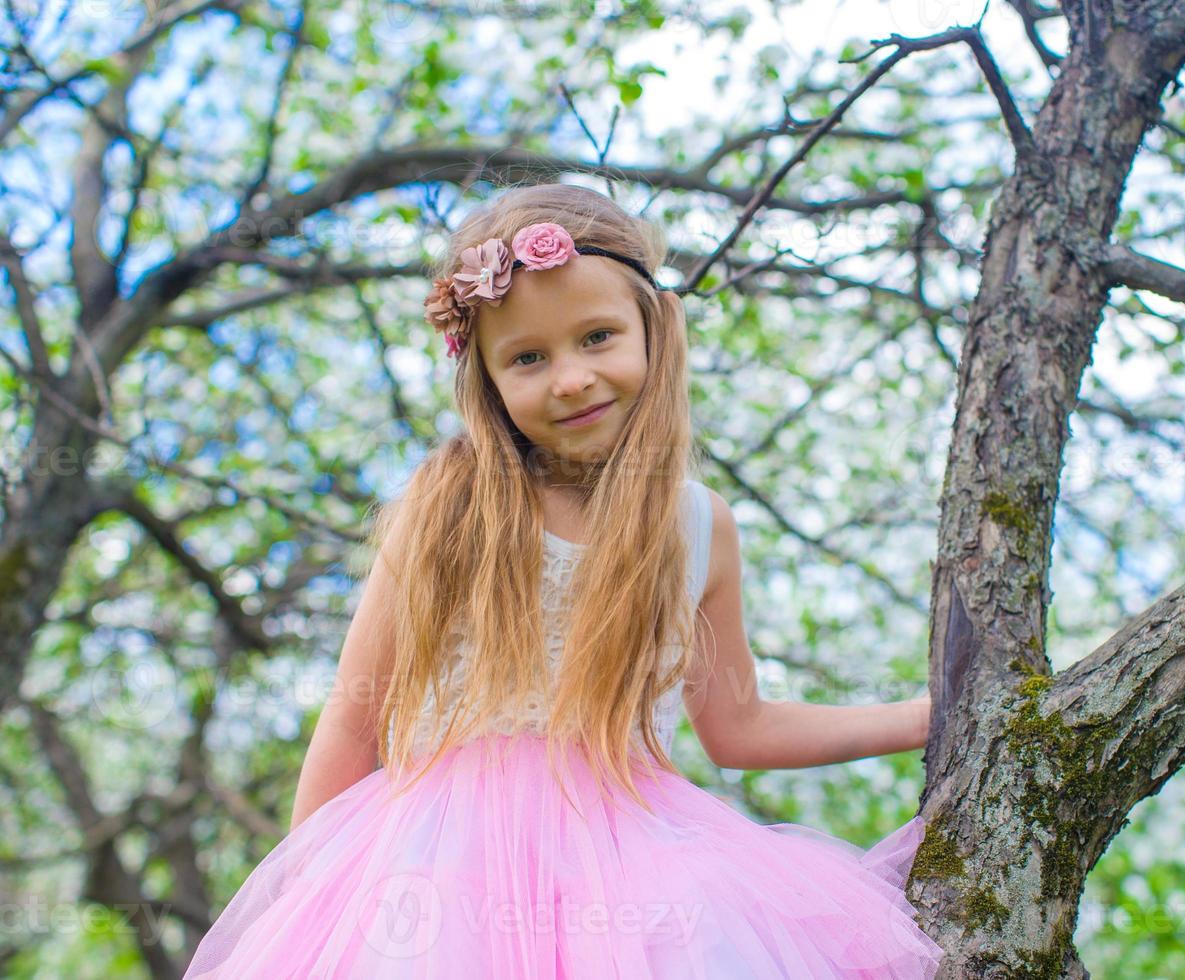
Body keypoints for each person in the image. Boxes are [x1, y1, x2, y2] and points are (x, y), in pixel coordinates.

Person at [182, 182, 944, 977]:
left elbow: (738, 725)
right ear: (487, 378)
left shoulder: (694, 526)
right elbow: (352, 725)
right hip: (439, 870)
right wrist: (307, 903)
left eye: (597, 337)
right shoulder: (448, 510)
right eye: (529, 358)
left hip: (633, 865)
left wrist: (928, 715)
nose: (571, 378)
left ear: (654, 329)